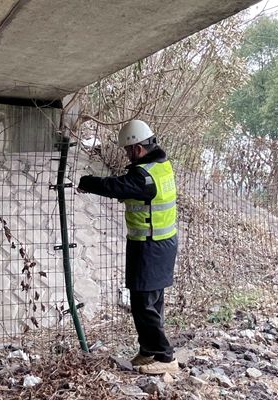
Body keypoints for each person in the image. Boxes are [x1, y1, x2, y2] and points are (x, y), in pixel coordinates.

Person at [78, 120, 179, 375]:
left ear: (138, 149)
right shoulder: (160, 167)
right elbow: (132, 190)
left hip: (151, 245)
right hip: (158, 243)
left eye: (127, 150)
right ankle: (149, 351)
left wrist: (86, 182)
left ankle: (165, 357)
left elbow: (116, 187)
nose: (126, 154)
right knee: (151, 302)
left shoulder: (143, 177)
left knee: (143, 303)